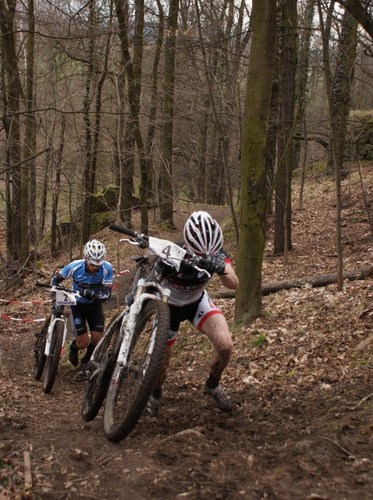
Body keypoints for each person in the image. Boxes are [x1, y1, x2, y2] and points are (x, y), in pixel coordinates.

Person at [144, 211, 239, 417]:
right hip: (167, 306)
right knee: (162, 362)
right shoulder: (173, 251)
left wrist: (221, 267)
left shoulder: (218, 253)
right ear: (188, 243)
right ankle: (155, 393)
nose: (204, 257)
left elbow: (234, 282)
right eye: (200, 254)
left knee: (225, 346)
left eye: (209, 255)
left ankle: (212, 384)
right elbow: (150, 278)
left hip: (196, 302)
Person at [50, 239, 113, 380]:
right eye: (92, 264)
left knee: (98, 340)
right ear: (86, 259)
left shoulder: (107, 268)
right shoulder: (75, 266)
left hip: (94, 306)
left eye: (98, 265)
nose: (95, 268)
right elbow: (56, 278)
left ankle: (86, 362)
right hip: (77, 305)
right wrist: (54, 289)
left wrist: (96, 295)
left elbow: (108, 293)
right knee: (82, 343)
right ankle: (74, 347)